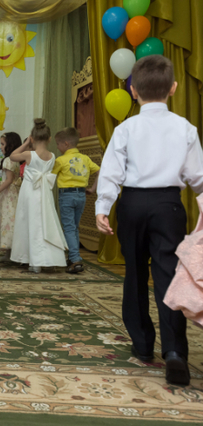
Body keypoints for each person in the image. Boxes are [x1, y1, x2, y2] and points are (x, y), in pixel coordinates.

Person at [96, 55, 203, 386]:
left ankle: (142, 344)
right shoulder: (185, 128)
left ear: (133, 91)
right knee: (169, 276)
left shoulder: (125, 128)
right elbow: (198, 178)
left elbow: (111, 172)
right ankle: (175, 352)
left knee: (135, 273)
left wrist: (103, 206)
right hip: (168, 206)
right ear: (173, 88)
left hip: (132, 204)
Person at [9, 119, 67, 273]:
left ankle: (34, 261)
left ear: (32, 138)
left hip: (30, 192)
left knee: (29, 223)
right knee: (45, 223)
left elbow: (12, 156)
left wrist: (26, 143)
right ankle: (47, 259)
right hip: (44, 193)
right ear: (49, 139)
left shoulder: (29, 154)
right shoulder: (52, 156)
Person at [52, 127, 100, 274]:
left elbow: (50, 177)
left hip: (66, 196)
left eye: (58, 144)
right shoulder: (85, 158)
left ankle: (75, 259)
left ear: (66, 144)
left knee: (69, 228)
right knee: (74, 227)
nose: (57, 147)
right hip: (81, 195)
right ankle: (73, 257)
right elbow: (100, 171)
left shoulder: (60, 160)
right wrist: (93, 188)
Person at [0, 132, 23, 261]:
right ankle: (9, 253)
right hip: (14, 195)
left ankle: (10, 253)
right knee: (11, 221)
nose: (0, 147)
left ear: (10, 145)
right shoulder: (15, 159)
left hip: (8, 196)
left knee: (7, 220)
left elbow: (8, 180)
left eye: (2, 144)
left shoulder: (8, 160)